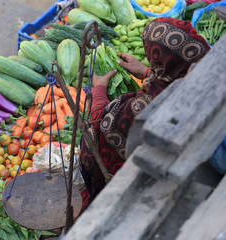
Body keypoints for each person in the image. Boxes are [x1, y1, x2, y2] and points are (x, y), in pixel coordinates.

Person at [80, 17, 211, 202]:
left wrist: (99, 89)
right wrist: (146, 71)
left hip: (157, 175)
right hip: (189, 155)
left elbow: (101, 122)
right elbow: (172, 79)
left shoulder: (147, 105)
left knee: (87, 138)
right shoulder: (205, 75)